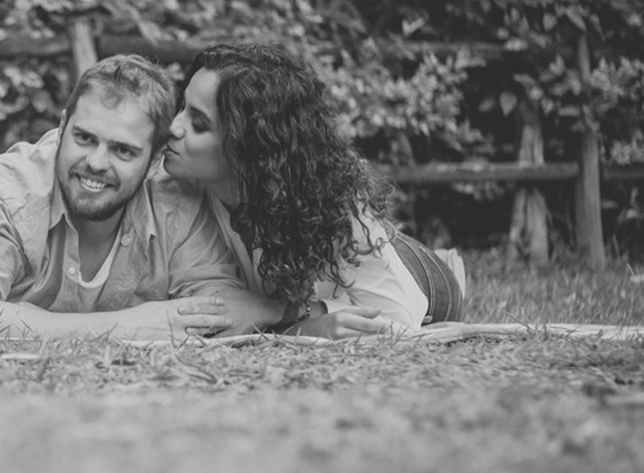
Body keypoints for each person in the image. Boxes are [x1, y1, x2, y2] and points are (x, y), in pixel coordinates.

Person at [0, 54, 277, 340]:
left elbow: (216, 307)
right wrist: (129, 325)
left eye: (123, 150)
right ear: (63, 123)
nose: (96, 163)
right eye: (84, 138)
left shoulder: (177, 203)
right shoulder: (7, 189)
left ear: (155, 158)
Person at [163, 43, 466, 339]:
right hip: (342, 280)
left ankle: (444, 262)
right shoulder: (173, 183)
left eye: (199, 124)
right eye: (182, 108)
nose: (173, 127)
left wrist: (278, 315)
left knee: (414, 274)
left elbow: (395, 323)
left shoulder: (331, 200)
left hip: (421, 278)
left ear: (248, 148)